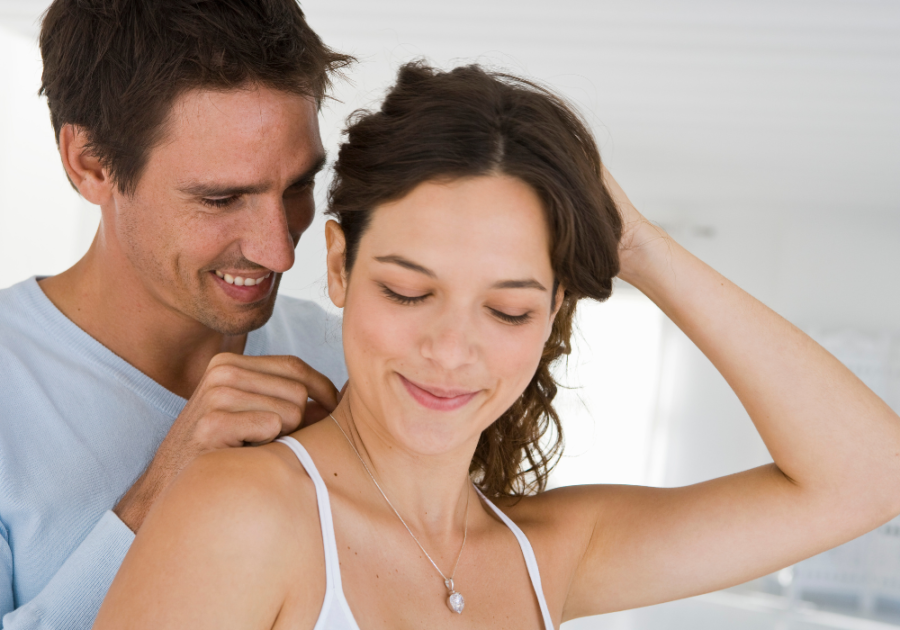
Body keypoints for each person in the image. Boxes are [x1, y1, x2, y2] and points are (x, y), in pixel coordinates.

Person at [92, 61, 900, 629]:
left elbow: (868, 477)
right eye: (409, 292)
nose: (451, 350)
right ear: (339, 266)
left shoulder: (547, 557)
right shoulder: (247, 513)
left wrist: (642, 249)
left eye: (508, 311)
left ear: (553, 312)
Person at [0, 1, 352, 627]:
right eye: (221, 198)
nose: (278, 249)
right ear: (90, 164)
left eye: (297, 186)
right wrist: (163, 491)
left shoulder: (351, 358)